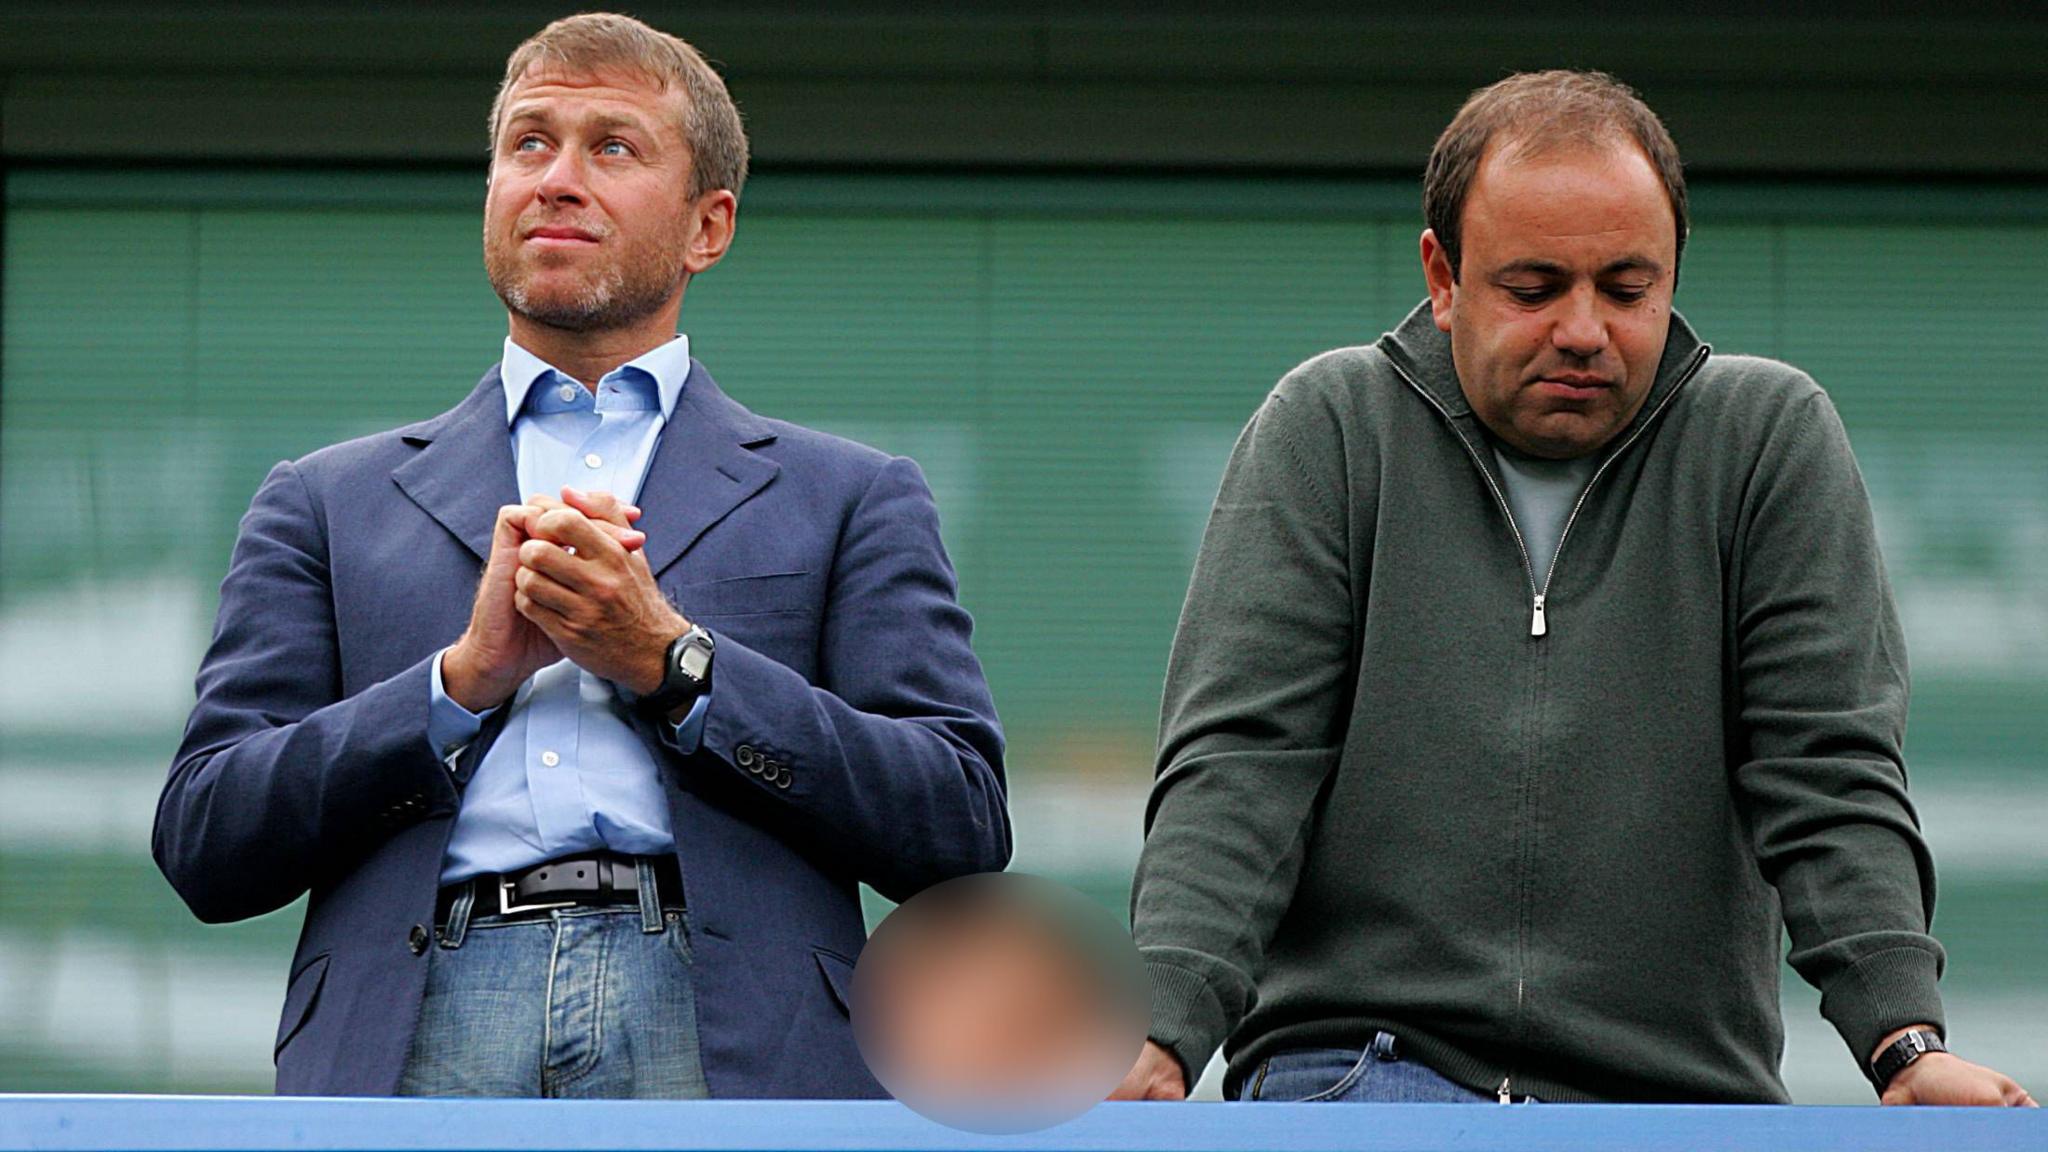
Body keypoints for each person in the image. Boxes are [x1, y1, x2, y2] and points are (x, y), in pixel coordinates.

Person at [1115, 71, 2035, 1106]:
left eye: (1627, 287)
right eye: (1533, 287)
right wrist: (1160, 1027)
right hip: (1363, 1070)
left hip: (1680, 1095)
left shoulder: (1764, 440)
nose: (1584, 329)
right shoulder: (1329, 427)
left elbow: (1825, 768)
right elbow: (1241, 764)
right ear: (1441, 274)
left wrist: (1903, 1045)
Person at [154, 12, 1009, 1098]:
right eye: (528, 143)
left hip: (729, 1029)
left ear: (709, 225)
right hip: (416, 1020)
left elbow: (959, 823)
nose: (556, 179)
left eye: (611, 146)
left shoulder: (848, 494)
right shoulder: (323, 502)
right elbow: (206, 837)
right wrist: (454, 689)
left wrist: (676, 666)